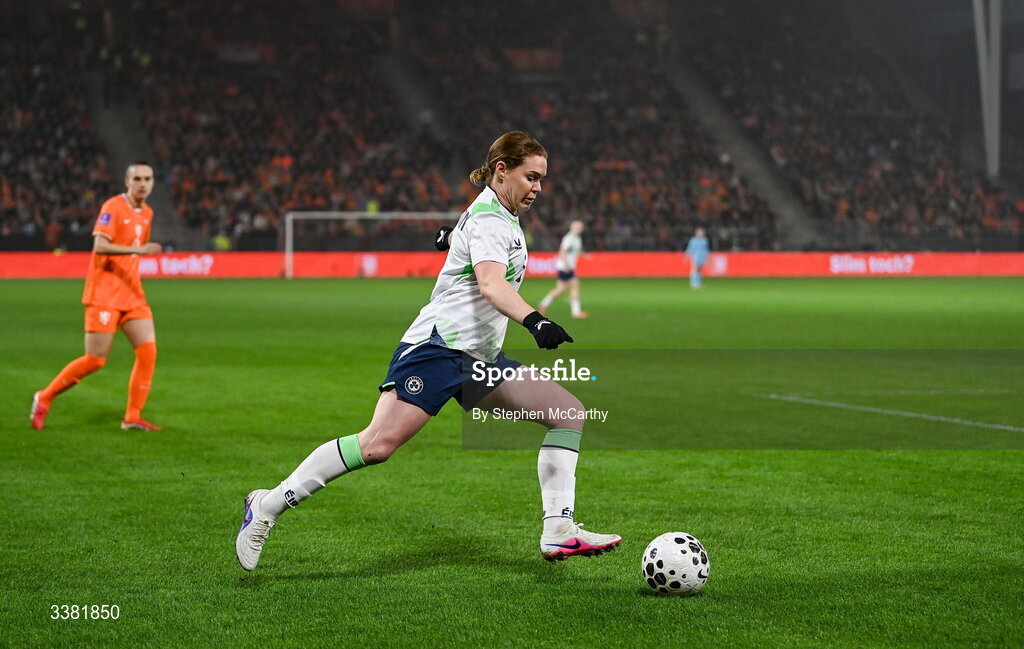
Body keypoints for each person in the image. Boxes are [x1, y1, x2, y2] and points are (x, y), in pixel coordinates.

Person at [236, 132, 620, 570]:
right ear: (501, 170)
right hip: (437, 350)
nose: (538, 188)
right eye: (531, 177)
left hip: (478, 358)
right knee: (376, 446)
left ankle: (558, 531)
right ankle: (266, 506)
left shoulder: (494, 211)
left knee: (566, 412)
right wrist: (536, 320)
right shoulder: (493, 220)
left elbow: (470, 232)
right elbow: (492, 284)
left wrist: (451, 238)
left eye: (542, 179)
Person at [30, 162, 163, 431]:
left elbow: (137, 250)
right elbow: (101, 246)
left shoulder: (147, 212)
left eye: (147, 178)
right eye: (137, 178)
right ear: (127, 181)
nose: (142, 183)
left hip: (132, 293)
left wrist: (139, 256)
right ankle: (44, 397)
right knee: (96, 359)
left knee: (148, 351)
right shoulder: (113, 207)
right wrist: (140, 251)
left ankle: (132, 417)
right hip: (104, 293)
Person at [538, 220, 588, 318]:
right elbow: (562, 251)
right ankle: (576, 312)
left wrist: (584, 254)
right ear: (572, 227)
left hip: (568, 267)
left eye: (580, 227)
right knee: (574, 286)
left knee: (560, 289)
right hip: (566, 267)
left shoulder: (576, 238)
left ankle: (544, 303)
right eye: (577, 227)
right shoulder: (569, 238)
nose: (579, 229)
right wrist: (565, 265)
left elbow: (575, 251)